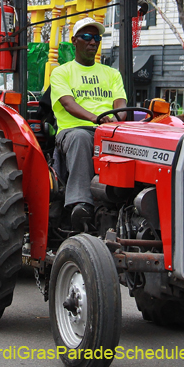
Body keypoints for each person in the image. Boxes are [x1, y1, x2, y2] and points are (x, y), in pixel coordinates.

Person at [50, 18, 127, 231]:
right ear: (74, 41)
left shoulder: (111, 74)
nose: (93, 42)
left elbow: (120, 103)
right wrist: (96, 118)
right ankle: (81, 204)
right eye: (86, 37)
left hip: (108, 130)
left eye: (96, 38)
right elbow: (67, 103)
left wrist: (117, 119)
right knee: (81, 138)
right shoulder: (61, 72)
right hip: (73, 131)